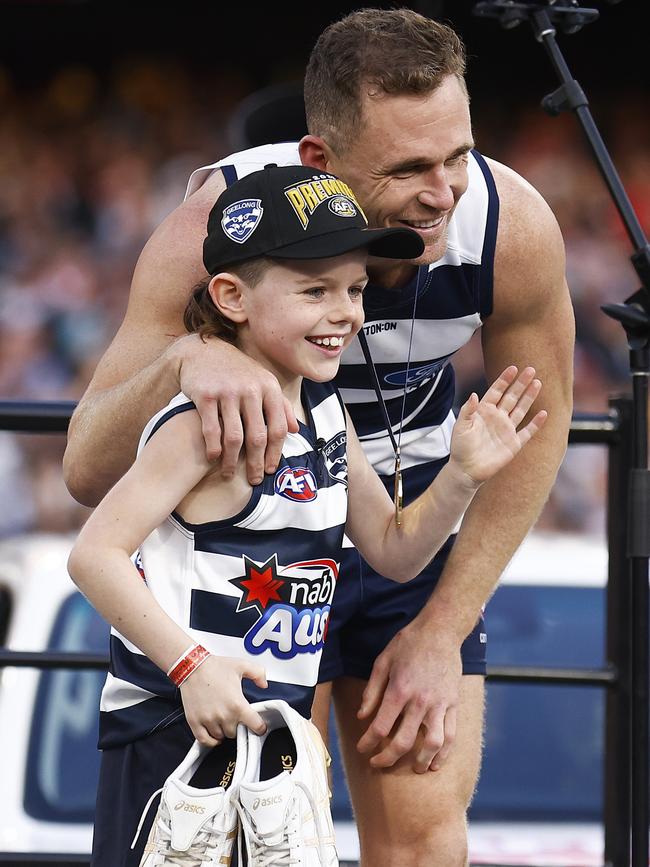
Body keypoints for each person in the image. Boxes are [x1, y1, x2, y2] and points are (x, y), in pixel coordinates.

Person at [63, 9, 574, 867]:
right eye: (409, 167)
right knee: (258, 834)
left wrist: (444, 629)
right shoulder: (221, 226)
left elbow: (542, 421)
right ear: (320, 162)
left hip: (397, 514)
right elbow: (85, 466)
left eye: (458, 155)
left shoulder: (508, 225)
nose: (445, 192)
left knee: (421, 844)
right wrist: (187, 359)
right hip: (247, 536)